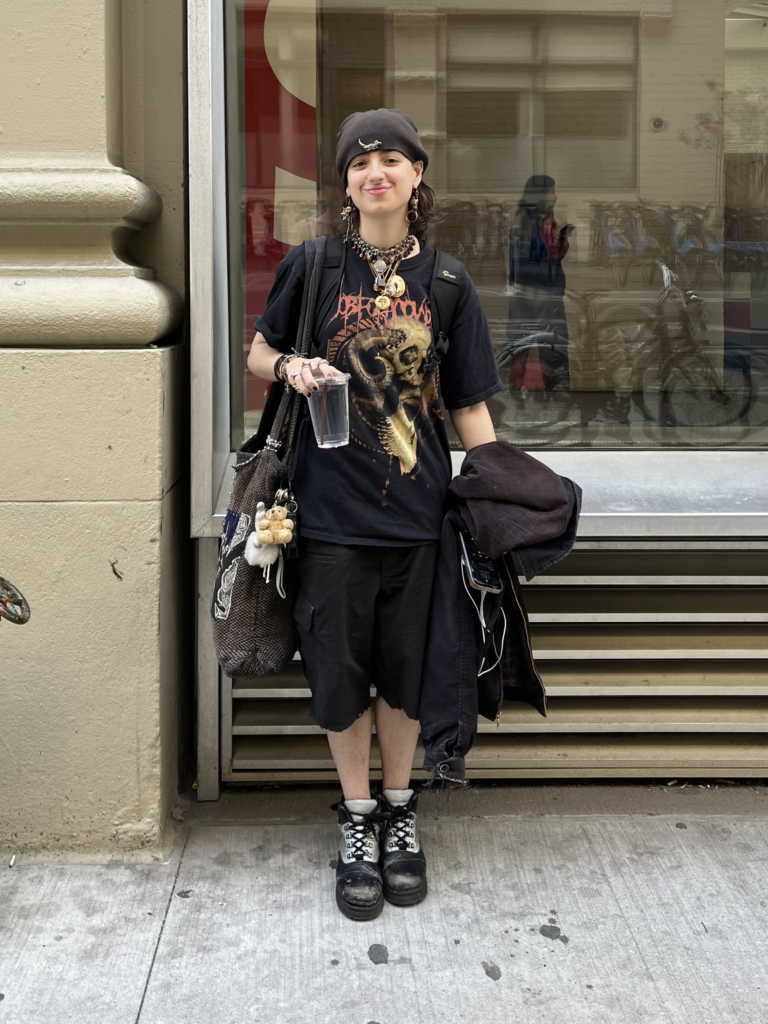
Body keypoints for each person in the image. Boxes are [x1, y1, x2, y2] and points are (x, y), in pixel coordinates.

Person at [246, 108, 503, 920]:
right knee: (339, 675)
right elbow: (257, 351)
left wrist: (498, 492)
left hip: (419, 517)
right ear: (346, 183)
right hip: (325, 517)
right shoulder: (314, 265)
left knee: (405, 675)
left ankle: (399, 809)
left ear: (417, 176)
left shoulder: (450, 284)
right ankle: (356, 818)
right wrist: (289, 367)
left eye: (393, 159)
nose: (376, 173)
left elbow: (468, 406)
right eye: (360, 163)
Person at [508, 174, 573, 394]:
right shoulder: (545, 220)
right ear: (542, 195)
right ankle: (555, 391)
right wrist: (564, 235)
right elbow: (554, 253)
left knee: (520, 343)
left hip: (523, 289)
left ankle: (515, 390)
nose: (555, 196)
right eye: (552, 191)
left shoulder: (519, 218)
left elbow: (515, 257)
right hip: (545, 291)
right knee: (553, 342)